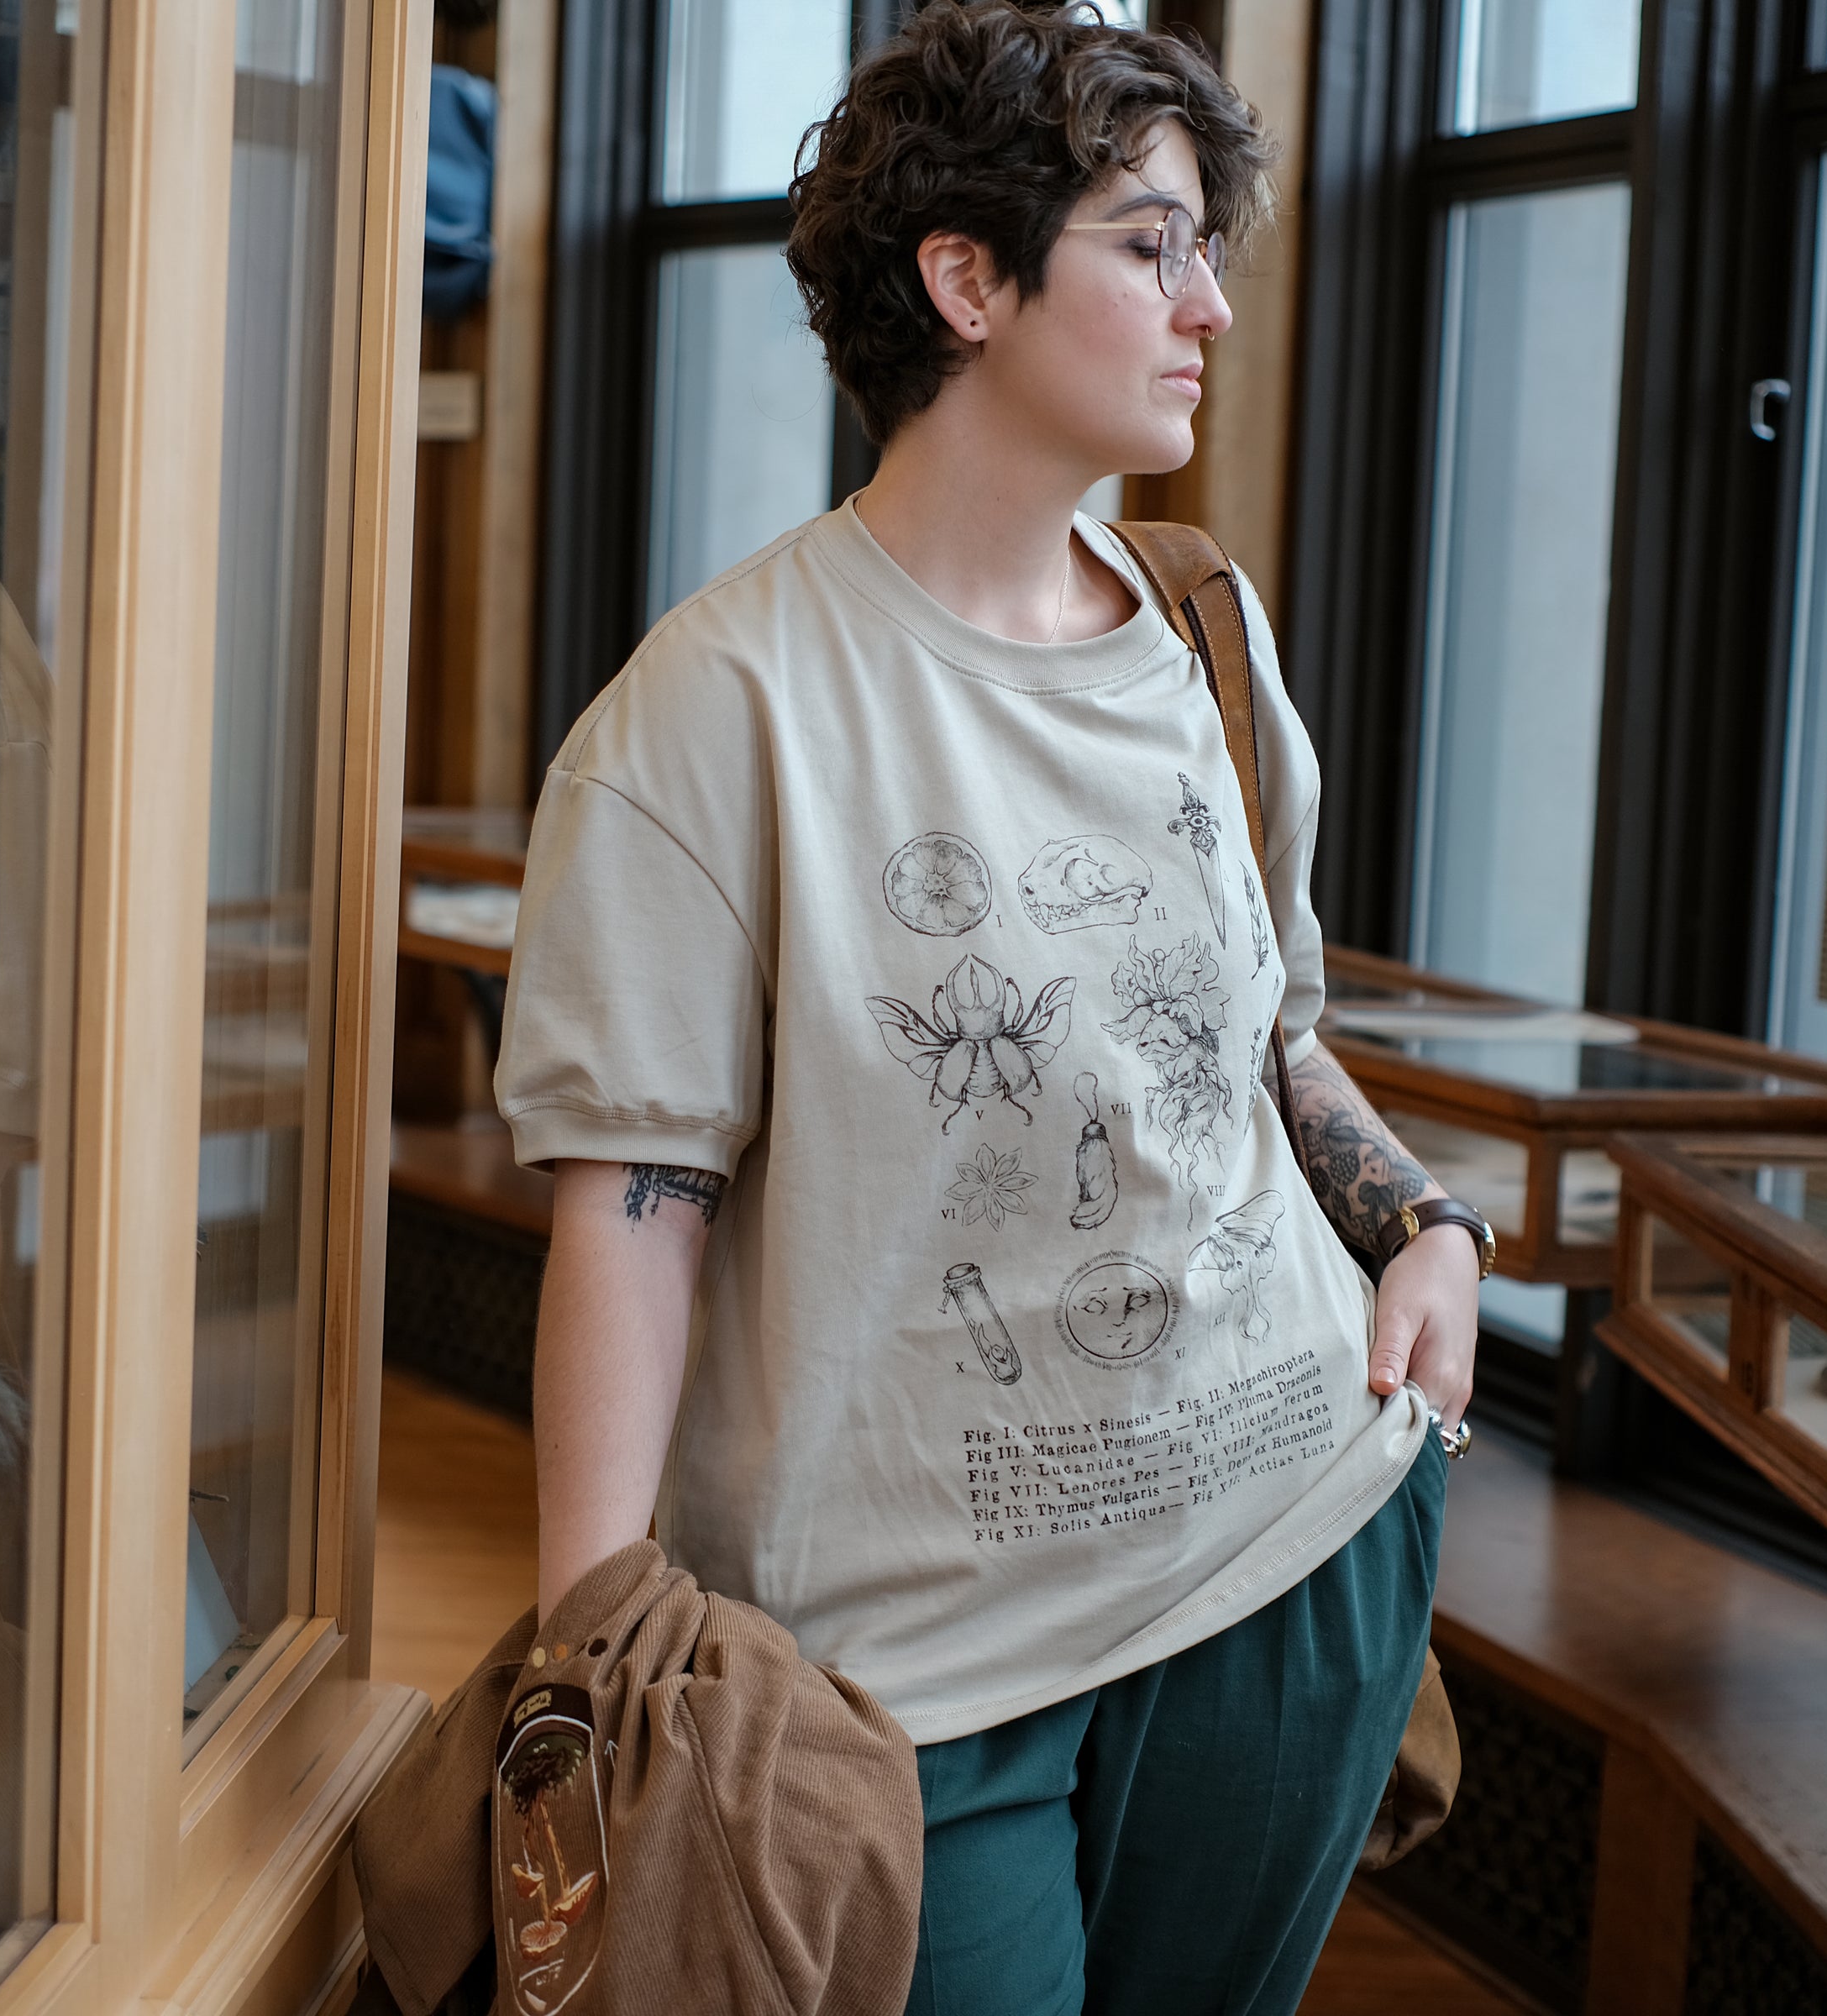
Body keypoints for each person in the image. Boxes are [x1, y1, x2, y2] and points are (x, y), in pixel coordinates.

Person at [493, 6, 1483, 2010]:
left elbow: (1264, 1036)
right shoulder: (715, 714)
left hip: (1289, 1542)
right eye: (1149, 244)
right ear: (965, 280)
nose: (1208, 302)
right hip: (898, 1661)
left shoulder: (1205, 625)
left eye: (1206, 245)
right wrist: (589, 1660)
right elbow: (635, 1200)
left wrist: (1425, 1224)